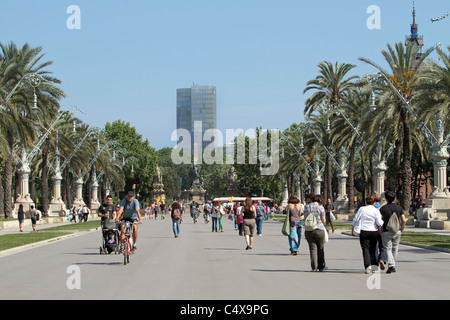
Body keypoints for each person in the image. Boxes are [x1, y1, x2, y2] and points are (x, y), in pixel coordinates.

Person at [352, 194, 384, 274]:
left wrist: (353, 230)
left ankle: (367, 266)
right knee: (373, 249)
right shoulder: (376, 210)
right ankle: (374, 266)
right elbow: (379, 223)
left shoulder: (362, 209)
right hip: (373, 231)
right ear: (374, 202)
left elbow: (355, 219)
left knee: (365, 249)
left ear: (366, 202)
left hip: (364, 231)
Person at [380, 191, 407, 274]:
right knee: (395, 249)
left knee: (387, 248)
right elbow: (404, 220)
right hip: (397, 231)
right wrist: (401, 230)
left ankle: (391, 265)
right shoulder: (399, 208)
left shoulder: (383, 208)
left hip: (386, 231)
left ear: (386, 199)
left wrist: (380, 231)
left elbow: (380, 220)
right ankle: (393, 265)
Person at [303, 194, 327, 271]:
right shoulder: (321, 208)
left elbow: (305, 218)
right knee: (320, 248)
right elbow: (323, 220)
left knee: (312, 249)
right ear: (319, 200)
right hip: (319, 229)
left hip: (309, 230)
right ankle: (321, 266)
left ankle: (314, 267)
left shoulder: (307, 207)